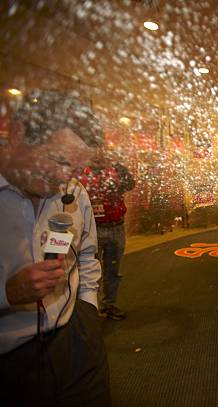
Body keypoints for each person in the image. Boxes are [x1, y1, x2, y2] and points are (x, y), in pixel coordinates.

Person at [0, 89, 111, 406]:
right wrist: (6, 294)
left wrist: (88, 308)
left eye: (75, 169)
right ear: (18, 135)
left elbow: (87, 254)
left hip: (76, 339)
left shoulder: (74, 192)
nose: (65, 178)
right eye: (58, 160)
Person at [80, 148, 135, 320]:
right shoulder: (81, 172)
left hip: (116, 227)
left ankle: (108, 305)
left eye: (101, 149)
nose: (98, 154)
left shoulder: (116, 169)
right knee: (89, 272)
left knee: (113, 271)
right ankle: (90, 309)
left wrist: (120, 169)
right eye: (93, 149)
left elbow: (130, 184)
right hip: (92, 229)